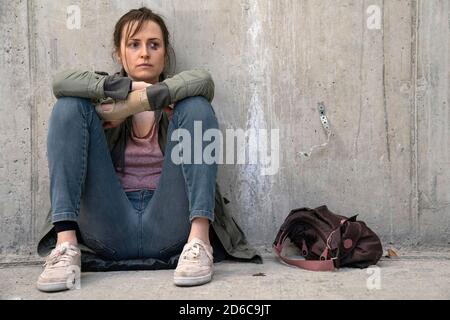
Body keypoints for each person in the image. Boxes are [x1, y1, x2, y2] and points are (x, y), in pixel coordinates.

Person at [36, 7, 261, 292]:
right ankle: (65, 247)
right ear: (120, 53)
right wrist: (118, 93)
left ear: (165, 54)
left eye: (154, 45)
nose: (144, 53)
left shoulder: (176, 94)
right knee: (68, 107)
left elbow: (204, 80)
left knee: (196, 106)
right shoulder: (101, 93)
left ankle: (199, 242)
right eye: (134, 44)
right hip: (109, 225)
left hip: (170, 224)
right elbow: (61, 83)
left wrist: (143, 100)